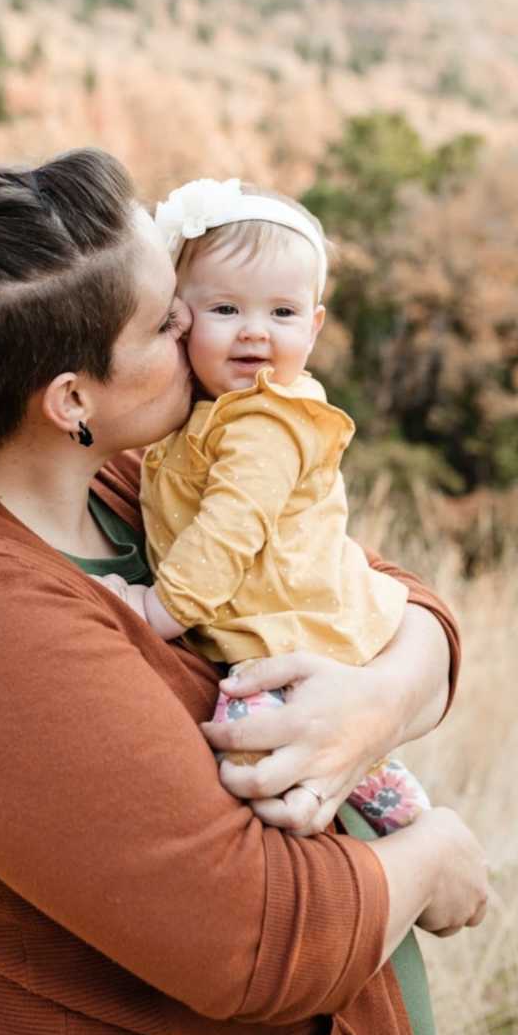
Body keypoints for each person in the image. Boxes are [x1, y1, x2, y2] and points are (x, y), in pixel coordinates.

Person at [0, 147, 488, 1035]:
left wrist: (378, 702)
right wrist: (431, 857)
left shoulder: (116, 478)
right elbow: (254, 939)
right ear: (71, 397)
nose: (203, 329)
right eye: (166, 318)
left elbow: (386, 589)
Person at [100, 176, 429, 837]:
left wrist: (156, 610)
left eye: (281, 314)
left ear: (313, 326)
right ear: (180, 317)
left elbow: (229, 529)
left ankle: (394, 826)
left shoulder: (265, 422)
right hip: (272, 629)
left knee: (253, 753)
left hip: (292, 637)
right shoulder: (211, 412)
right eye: (225, 310)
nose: (254, 333)